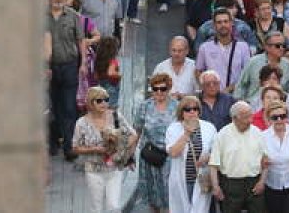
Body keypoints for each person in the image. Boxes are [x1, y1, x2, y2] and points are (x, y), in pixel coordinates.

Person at [72, 86, 137, 213]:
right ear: (91, 103)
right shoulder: (82, 123)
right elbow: (75, 147)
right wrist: (95, 149)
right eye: (99, 100)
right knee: (96, 208)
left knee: (113, 206)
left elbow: (133, 135)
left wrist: (121, 149)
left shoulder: (115, 116)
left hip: (114, 169)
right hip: (93, 170)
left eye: (106, 100)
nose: (104, 103)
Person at [47, 0, 85, 160]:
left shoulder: (73, 16)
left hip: (69, 65)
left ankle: (69, 146)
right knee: (53, 107)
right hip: (49, 68)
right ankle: (53, 141)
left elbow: (80, 41)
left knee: (70, 107)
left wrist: (83, 63)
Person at [207, 101, 267, 212]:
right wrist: (216, 187)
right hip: (231, 184)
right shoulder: (222, 135)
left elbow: (266, 162)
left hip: (254, 182)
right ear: (234, 118)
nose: (250, 120)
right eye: (245, 117)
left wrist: (262, 182)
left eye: (250, 115)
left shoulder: (258, 133)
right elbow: (213, 164)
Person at [134, 73, 179, 213]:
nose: (159, 92)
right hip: (149, 157)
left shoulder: (177, 107)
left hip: (169, 158)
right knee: (151, 198)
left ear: (169, 88)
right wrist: (129, 155)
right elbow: (137, 131)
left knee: (169, 197)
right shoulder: (144, 106)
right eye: (155, 88)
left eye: (163, 88)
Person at [164, 95, 217, 213]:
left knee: (200, 210)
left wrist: (207, 157)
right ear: (181, 112)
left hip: (202, 178)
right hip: (182, 179)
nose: (192, 112)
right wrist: (186, 134)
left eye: (195, 108)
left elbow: (216, 151)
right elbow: (173, 152)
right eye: (187, 109)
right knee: (182, 209)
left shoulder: (209, 128)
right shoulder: (173, 129)